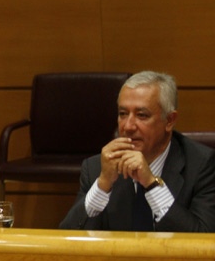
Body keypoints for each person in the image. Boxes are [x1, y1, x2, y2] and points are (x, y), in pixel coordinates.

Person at [60, 71, 215, 232]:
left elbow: (205, 241)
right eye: (123, 114)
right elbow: (68, 239)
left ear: (169, 120)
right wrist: (102, 185)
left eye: (142, 115)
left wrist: (151, 184)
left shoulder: (202, 166)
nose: (128, 126)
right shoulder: (97, 168)